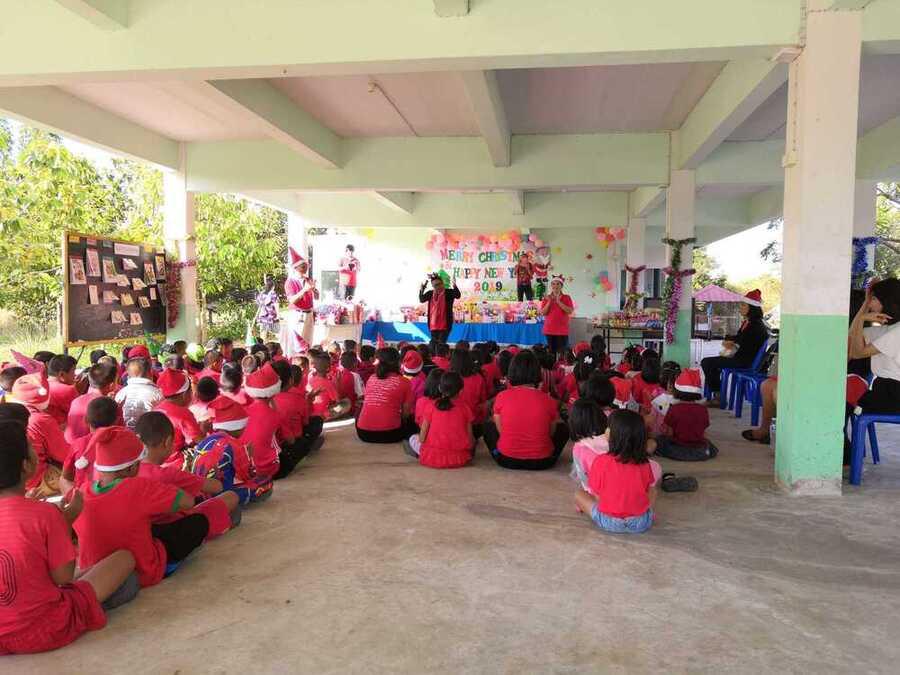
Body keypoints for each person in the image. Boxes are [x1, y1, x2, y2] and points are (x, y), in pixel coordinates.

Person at [0, 420, 136, 655]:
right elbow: (62, 577)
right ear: (25, 465)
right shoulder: (44, 513)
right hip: (47, 627)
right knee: (125, 560)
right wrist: (66, 520)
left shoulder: (39, 512)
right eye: (31, 447)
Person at [74, 427, 209, 588]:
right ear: (131, 468)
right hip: (143, 570)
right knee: (198, 522)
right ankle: (165, 566)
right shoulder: (139, 487)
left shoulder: (82, 491)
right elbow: (188, 501)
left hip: (94, 570)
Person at [135, 412, 239, 539]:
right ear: (167, 442)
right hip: (173, 529)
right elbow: (217, 487)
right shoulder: (168, 474)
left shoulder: (128, 472)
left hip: (143, 531)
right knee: (231, 497)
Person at [575, 409, 659, 534]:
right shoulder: (645, 463)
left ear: (610, 434)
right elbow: (648, 489)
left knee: (579, 494)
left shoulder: (600, 461)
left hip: (610, 522)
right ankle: (648, 513)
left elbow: (596, 495)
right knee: (653, 490)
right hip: (641, 522)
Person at [483, 350, 570, 470]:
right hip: (542, 462)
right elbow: (551, 433)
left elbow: (500, 430)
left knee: (488, 426)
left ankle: (499, 451)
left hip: (506, 460)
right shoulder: (549, 400)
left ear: (512, 371)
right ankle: (551, 454)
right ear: (538, 372)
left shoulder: (501, 396)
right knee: (563, 428)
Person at [191, 397, 273, 504]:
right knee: (266, 482)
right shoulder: (235, 445)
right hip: (223, 496)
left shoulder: (205, 441)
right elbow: (246, 476)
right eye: (244, 427)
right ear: (237, 427)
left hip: (201, 491)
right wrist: (249, 456)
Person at [701, 289, 769, 404]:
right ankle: (717, 394)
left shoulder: (755, 326)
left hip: (744, 361)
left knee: (707, 362)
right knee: (712, 363)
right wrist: (730, 340)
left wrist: (730, 343)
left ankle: (718, 397)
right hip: (742, 357)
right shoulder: (750, 323)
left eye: (743, 305)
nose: (740, 308)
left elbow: (743, 343)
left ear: (752, 308)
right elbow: (740, 338)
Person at [13, 373, 70, 497]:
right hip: (33, 481)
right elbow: (64, 455)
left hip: (10, 480)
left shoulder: (6, 411)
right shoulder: (40, 419)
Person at [403, 371, 475, 468]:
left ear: (440, 388)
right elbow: (470, 440)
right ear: (461, 391)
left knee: (412, 438)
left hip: (432, 458)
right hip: (459, 458)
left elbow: (422, 438)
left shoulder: (431, 406)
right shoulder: (465, 408)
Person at [849, 278, 900, 414]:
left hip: (894, 394)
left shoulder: (897, 331)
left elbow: (857, 353)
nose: (870, 303)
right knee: (845, 390)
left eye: (873, 299)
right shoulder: (888, 329)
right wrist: (865, 304)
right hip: (885, 390)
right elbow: (852, 336)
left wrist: (862, 318)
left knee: (843, 392)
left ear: (886, 300)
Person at [241, 363, 295, 481]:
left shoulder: (243, 411)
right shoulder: (275, 415)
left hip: (244, 470)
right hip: (267, 470)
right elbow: (291, 440)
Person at [655, 369, 719, 461]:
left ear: (677, 390)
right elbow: (703, 433)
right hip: (699, 450)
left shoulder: (674, 408)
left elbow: (670, 433)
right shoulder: (703, 409)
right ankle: (704, 452)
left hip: (677, 450)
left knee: (659, 439)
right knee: (710, 446)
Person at [60, 396, 120, 493]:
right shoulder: (124, 444)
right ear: (117, 421)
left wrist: (72, 497)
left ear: (85, 420)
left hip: (84, 497)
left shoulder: (78, 444)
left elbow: (66, 477)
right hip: (113, 496)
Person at [356, 348, 416, 444]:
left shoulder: (371, 378)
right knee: (414, 422)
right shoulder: (405, 382)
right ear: (398, 362)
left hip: (363, 433)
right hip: (390, 434)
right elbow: (406, 413)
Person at [154, 369, 203, 466]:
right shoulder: (183, 413)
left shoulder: (157, 408)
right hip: (175, 463)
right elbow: (201, 441)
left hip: (157, 462)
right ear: (185, 394)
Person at [65, 362, 120, 443]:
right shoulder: (106, 406)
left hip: (70, 444)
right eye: (117, 381)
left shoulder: (77, 400)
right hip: (88, 447)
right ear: (111, 385)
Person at [283, 247, 319, 357]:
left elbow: (316, 297)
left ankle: (306, 361)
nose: (305, 268)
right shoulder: (290, 282)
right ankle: (295, 363)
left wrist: (315, 291)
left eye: (306, 266)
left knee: (308, 342)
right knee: (297, 344)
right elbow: (292, 300)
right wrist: (304, 290)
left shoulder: (308, 280)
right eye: (303, 266)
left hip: (309, 314)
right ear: (295, 268)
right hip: (297, 315)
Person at [569, 399, 610, 490]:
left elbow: (584, 479)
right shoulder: (611, 437)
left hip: (598, 492)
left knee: (579, 494)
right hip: (618, 487)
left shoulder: (579, 447)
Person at [115, 356, 163, 430]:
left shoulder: (121, 393)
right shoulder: (157, 394)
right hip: (150, 433)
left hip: (125, 434)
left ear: (128, 376)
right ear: (150, 373)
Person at [419, 273, 461, 345]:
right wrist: (422, 289)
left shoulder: (448, 292)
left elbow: (457, 295)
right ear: (433, 286)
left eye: (439, 284)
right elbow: (422, 299)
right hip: (433, 325)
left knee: (441, 344)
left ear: (442, 283)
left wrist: (454, 285)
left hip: (445, 324)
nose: (438, 286)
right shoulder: (430, 293)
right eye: (435, 285)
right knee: (434, 344)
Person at [540, 275, 574, 355]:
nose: (555, 286)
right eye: (553, 284)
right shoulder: (547, 298)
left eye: (558, 284)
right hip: (549, 330)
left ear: (561, 286)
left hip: (562, 331)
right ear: (551, 286)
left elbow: (570, 311)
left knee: (562, 354)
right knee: (550, 354)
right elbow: (543, 313)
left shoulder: (567, 297)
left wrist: (559, 302)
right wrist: (549, 302)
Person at [47, 354, 83, 427]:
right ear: (62, 374)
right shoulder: (67, 389)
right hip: (63, 429)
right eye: (73, 371)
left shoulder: (41, 385)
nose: (75, 375)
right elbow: (82, 413)